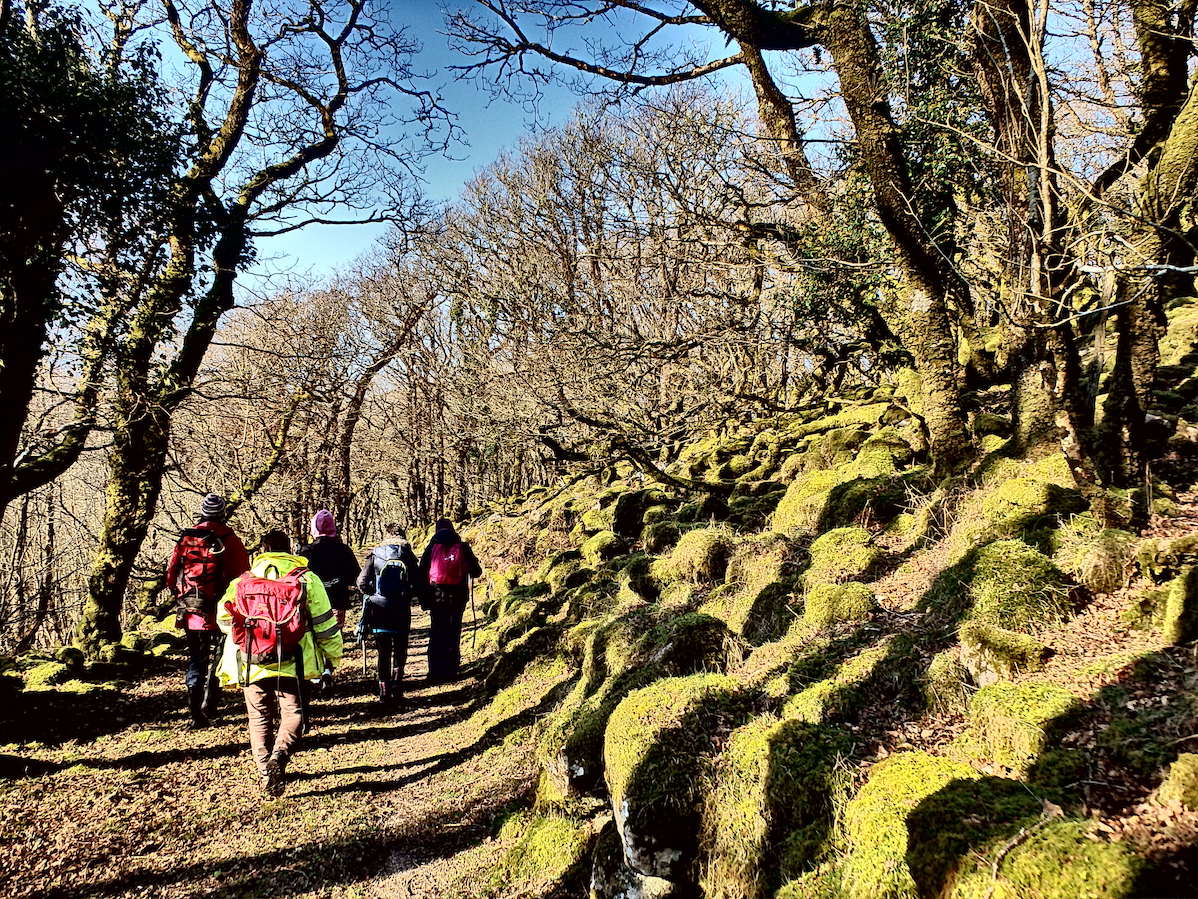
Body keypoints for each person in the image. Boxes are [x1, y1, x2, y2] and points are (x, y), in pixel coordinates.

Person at [216, 529, 343, 796]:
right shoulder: (306, 579)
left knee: (258, 717)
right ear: (291, 550)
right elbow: (325, 625)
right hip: (293, 660)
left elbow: (224, 619)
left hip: (252, 660)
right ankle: (280, 757)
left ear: (261, 550)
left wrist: (250, 632)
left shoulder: (242, 582)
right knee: (294, 713)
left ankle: (265, 773)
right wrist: (333, 656)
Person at [165, 493, 250, 728]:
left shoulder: (186, 538)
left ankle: (195, 712)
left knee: (196, 658)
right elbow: (242, 577)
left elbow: (172, 574)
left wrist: (181, 596)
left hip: (191, 609)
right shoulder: (230, 539)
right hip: (222, 610)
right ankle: (210, 702)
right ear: (223, 514)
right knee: (220, 655)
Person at [356, 522, 420, 706]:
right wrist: (409, 594)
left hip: (379, 610)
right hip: (401, 609)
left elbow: (361, 582)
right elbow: (418, 581)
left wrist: (371, 593)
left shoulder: (375, 554)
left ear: (386, 535)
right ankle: (397, 688)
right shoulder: (407, 555)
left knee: (383, 652)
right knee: (400, 649)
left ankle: (384, 692)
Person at [298, 509, 360, 693]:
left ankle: (314, 674)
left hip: (310, 603)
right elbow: (355, 576)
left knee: (311, 636)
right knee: (332, 636)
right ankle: (327, 670)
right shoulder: (343, 549)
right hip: (336, 601)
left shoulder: (306, 551)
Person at [417, 517, 482, 684]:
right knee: (454, 632)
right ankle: (452, 671)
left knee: (437, 632)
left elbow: (421, 574)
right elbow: (477, 571)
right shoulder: (462, 547)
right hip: (458, 597)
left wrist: (424, 600)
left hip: (437, 597)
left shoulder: (431, 547)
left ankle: (435, 672)